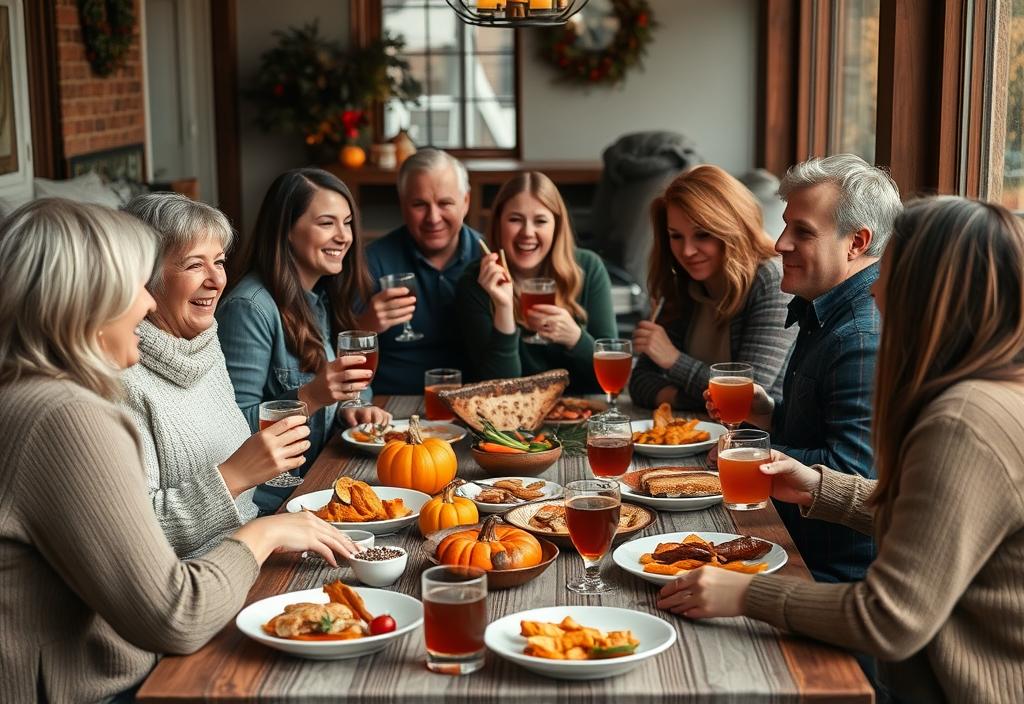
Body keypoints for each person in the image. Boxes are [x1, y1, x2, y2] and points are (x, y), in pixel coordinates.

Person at [660, 197, 1024, 703]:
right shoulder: (998, 392)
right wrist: (822, 488)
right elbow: (940, 524)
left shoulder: (964, 418)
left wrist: (744, 593)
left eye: (890, 272)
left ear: (930, 294)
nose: (874, 287)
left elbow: (889, 620)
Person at [0, 199, 358, 703]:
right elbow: (176, 614)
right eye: (133, 284)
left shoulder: (31, 392)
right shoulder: (67, 414)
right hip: (107, 684)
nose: (146, 305)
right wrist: (263, 532)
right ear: (82, 299)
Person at [708, 154, 902, 583]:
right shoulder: (824, 307)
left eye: (803, 232)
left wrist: (743, 454)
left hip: (828, 571)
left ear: (856, 242)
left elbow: (849, 477)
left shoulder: (860, 336)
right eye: (785, 225)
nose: (779, 244)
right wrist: (767, 413)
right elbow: (820, 433)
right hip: (787, 537)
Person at [120, 193, 313, 558]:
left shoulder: (203, 343)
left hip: (252, 552)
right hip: (196, 586)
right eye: (194, 265)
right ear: (145, 277)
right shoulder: (121, 380)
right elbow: (132, 538)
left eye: (219, 262)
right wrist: (234, 476)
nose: (216, 280)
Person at [217, 169, 391, 514]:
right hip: (269, 505)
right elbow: (229, 433)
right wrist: (311, 396)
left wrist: (349, 409)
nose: (344, 236)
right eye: (327, 223)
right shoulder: (249, 308)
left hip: (316, 481)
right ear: (287, 232)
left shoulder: (318, 297)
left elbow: (345, 391)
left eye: (347, 223)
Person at [628, 165, 796, 410]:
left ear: (734, 229)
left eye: (702, 235)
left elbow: (748, 394)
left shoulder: (772, 281)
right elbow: (640, 384)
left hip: (760, 442)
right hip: (701, 432)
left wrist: (673, 360)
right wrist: (698, 400)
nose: (686, 251)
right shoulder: (683, 283)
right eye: (676, 236)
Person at [455, 171, 617, 392]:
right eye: (515, 220)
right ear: (498, 224)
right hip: (509, 422)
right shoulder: (475, 282)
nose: (527, 233)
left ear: (557, 226)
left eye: (540, 221)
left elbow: (611, 383)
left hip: (584, 415)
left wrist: (576, 338)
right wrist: (503, 308)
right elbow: (499, 391)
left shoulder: (588, 268)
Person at [358, 148, 484, 393]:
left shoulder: (489, 259)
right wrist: (366, 325)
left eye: (445, 203)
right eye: (419, 205)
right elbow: (335, 351)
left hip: (474, 404)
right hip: (391, 404)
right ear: (402, 203)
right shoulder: (370, 262)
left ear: (466, 202)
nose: (433, 218)